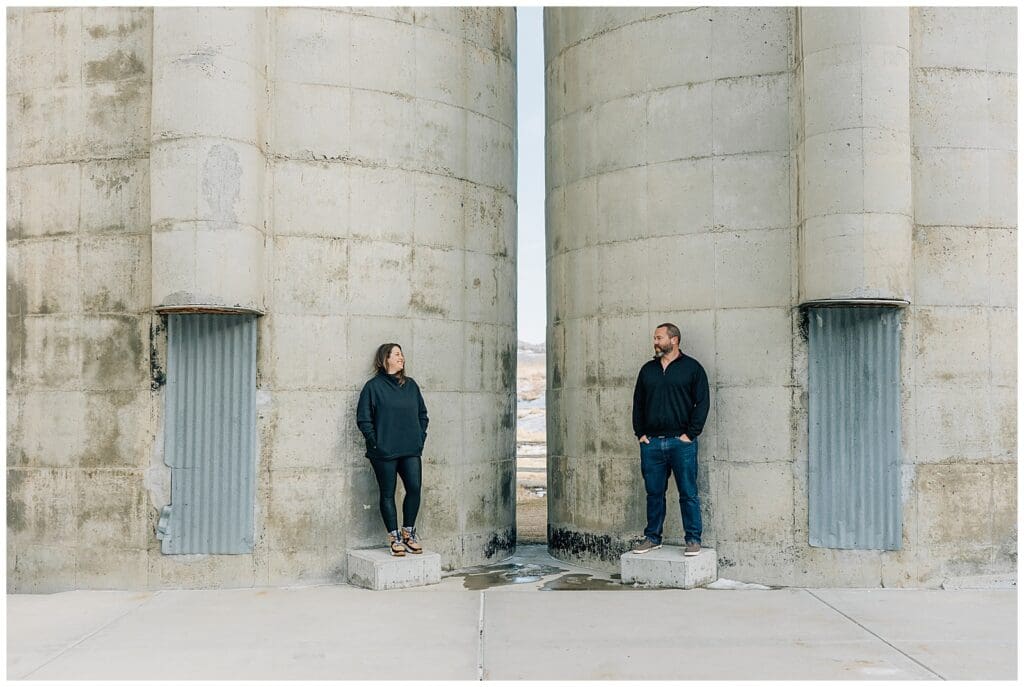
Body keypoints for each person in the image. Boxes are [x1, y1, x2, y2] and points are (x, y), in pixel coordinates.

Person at [631, 323, 710, 556]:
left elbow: (702, 403)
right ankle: (652, 538)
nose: (655, 342)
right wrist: (641, 434)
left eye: (659, 338)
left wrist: (690, 434)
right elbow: (638, 404)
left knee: (688, 493)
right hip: (652, 444)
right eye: (655, 338)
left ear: (673, 340)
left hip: (681, 443)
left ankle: (693, 539)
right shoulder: (648, 370)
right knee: (654, 494)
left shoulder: (692, 368)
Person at [356, 343, 429, 556]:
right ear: (385, 359)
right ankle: (394, 537)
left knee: (414, 488)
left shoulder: (411, 386)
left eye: (402, 354)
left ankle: (408, 533)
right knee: (388, 493)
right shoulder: (373, 387)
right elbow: (363, 419)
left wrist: (419, 438)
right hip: (384, 451)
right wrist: (375, 441)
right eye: (396, 354)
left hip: (410, 448)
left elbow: (423, 415)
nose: (401, 357)